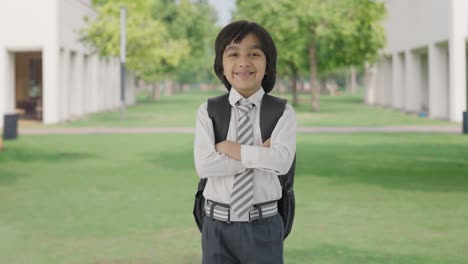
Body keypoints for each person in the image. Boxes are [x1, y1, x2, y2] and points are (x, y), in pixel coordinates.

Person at [194, 20, 296, 264]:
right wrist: (259, 155)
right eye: (233, 53)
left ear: (267, 64)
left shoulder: (281, 111)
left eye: (254, 54)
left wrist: (232, 149)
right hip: (217, 227)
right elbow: (205, 166)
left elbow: (281, 162)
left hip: (264, 226)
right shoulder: (209, 110)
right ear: (221, 64)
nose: (243, 62)